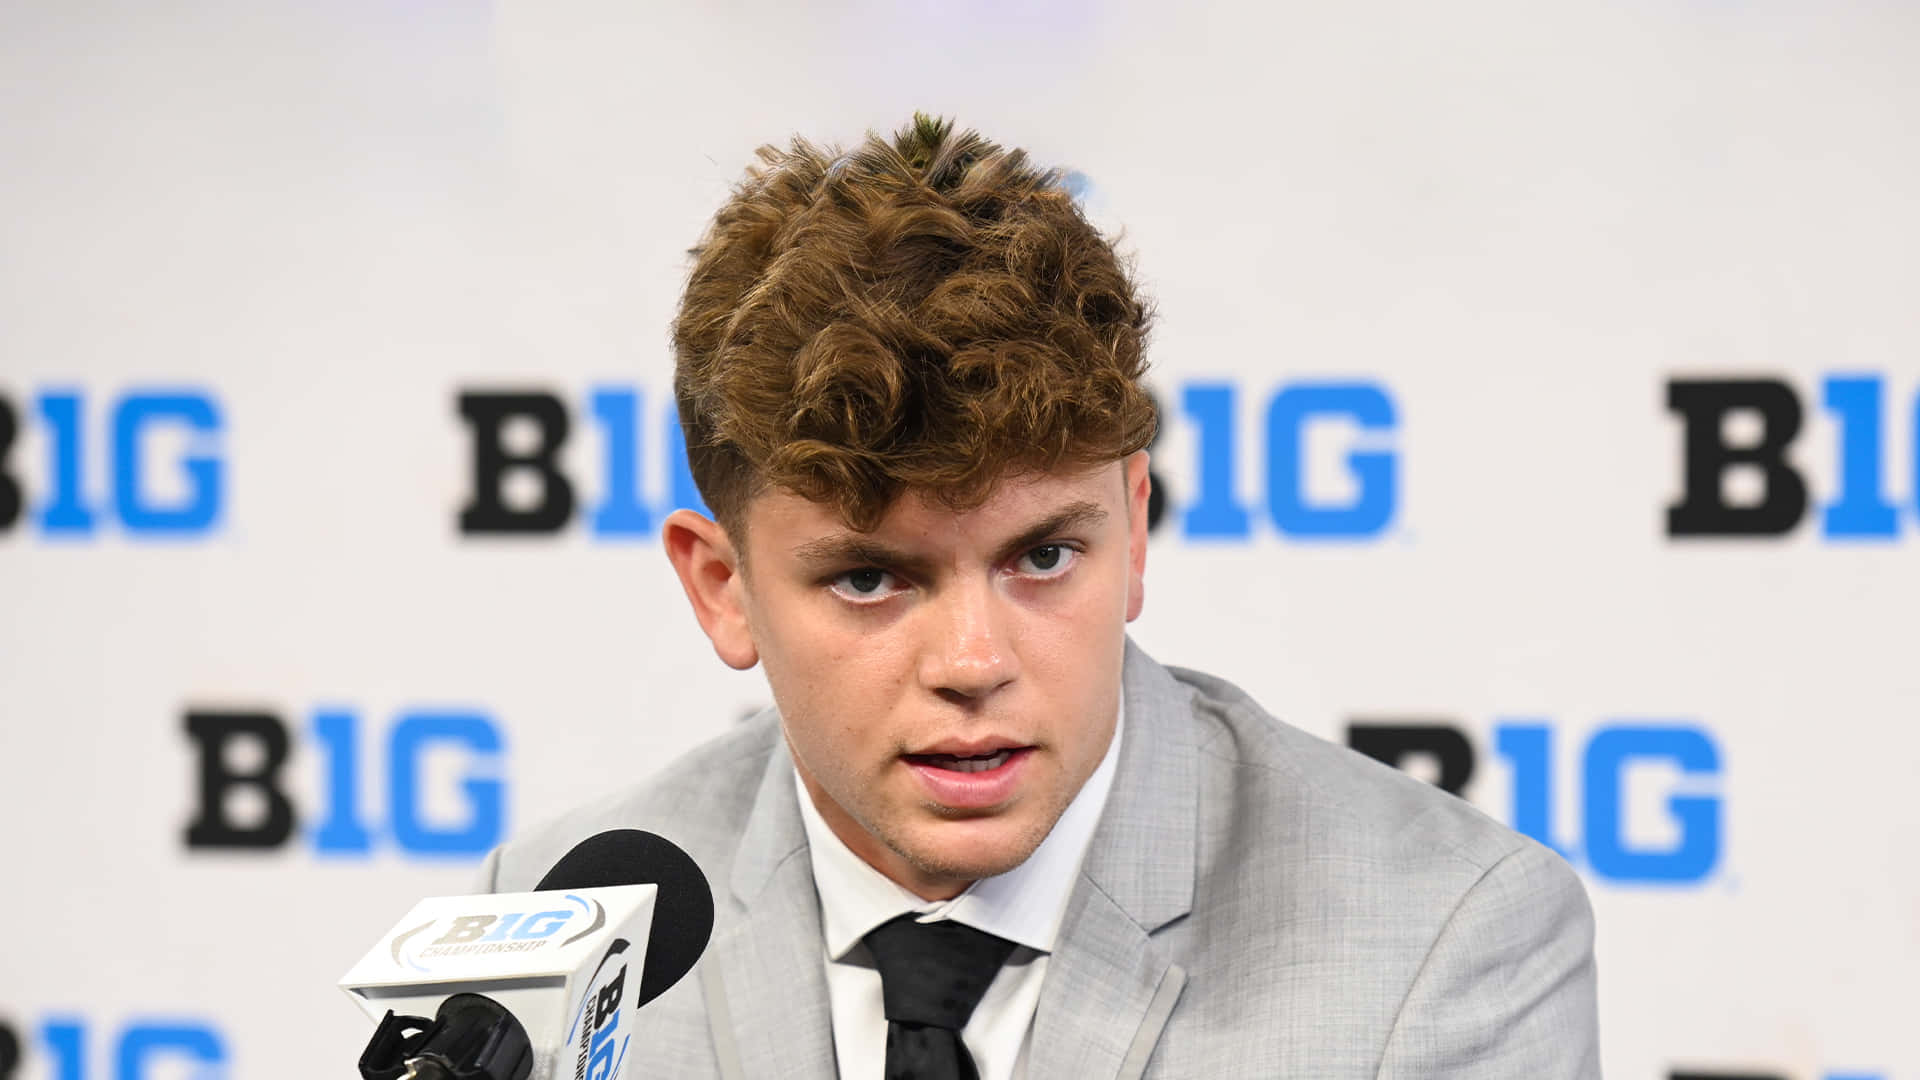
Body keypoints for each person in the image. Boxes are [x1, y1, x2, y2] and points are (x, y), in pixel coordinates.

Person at [480, 115, 1601, 1079]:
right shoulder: (553, 927)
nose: (974, 663)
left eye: (1045, 557)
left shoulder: (1442, 938)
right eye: (870, 578)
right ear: (723, 588)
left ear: (1135, 528)